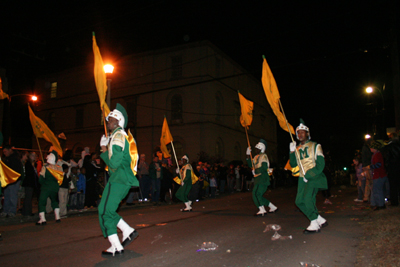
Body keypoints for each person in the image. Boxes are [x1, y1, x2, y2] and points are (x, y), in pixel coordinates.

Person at [98, 103, 139, 257]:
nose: (108, 121)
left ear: (118, 121)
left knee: (105, 211)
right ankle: (127, 231)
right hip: (121, 178)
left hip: (119, 178)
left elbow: (114, 163)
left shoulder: (118, 135)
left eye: (111, 119)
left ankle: (116, 245)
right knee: (105, 209)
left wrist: (104, 149)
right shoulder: (118, 135)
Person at [289, 119, 328, 234]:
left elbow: (321, 165)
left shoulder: (316, 146)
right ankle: (318, 219)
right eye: (298, 132)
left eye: (302, 132)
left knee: (307, 199)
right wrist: (291, 152)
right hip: (302, 178)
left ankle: (314, 223)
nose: (300, 134)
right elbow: (293, 165)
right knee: (299, 201)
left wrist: (309, 174)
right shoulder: (297, 149)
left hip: (314, 176)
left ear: (307, 133)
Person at [246, 139, 278, 216]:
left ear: (261, 148)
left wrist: (256, 171)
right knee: (258, 194)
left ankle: (262, 209)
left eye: (257, 148)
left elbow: (264, 167)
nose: (256, 150)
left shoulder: (263, 156)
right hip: (258, 178)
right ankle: (272, 207)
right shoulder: (256, 156)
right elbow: (251, 165)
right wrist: (247, 154)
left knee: (256, 194)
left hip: (262, 178)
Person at [36, 151, 63, 225]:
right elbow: (60, 179)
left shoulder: (45, 167)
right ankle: (57, 217)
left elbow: (41, 179)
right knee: (54, 201)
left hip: (46, 187)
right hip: (55, 188)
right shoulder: (59, 168)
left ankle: (42, 219)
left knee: (42, 202)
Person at [1, 145, 23, 218]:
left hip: (14, 180)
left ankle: (12, 211)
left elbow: (17, 170)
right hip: (8, 180)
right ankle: (5, 210)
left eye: (5, 151)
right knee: (6, 196)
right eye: (3, 152)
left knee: (12, 196)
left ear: (10, 150)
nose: (4, 153)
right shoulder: (6, 159)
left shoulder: (15, 159)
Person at [368, 141, 388, 210]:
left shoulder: (376, 155)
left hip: (379, 175)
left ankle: (380, 204)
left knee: (377, 190)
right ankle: (380, 204)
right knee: (378, 190)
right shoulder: (377, 154)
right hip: (380, 174)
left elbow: (378, 165)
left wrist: (370, 167)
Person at [22, 152, 39, 216]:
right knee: (28, 198)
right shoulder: (28, 164)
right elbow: (30, 173)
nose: (34, 157)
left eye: (35, 155)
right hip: (28, 183)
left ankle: (26, 211)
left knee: (29, 198)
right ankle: (27, 212)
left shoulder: (34, 164)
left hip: (32, 183)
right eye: (33, 155)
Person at [362, 138, 373, 203]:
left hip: (366, 165)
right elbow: (367, 156)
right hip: (368, 166)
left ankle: (366, 197)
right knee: (370, 182)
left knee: (368, 182)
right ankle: (369, 197)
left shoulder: (364, 147)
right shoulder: (366, 148)